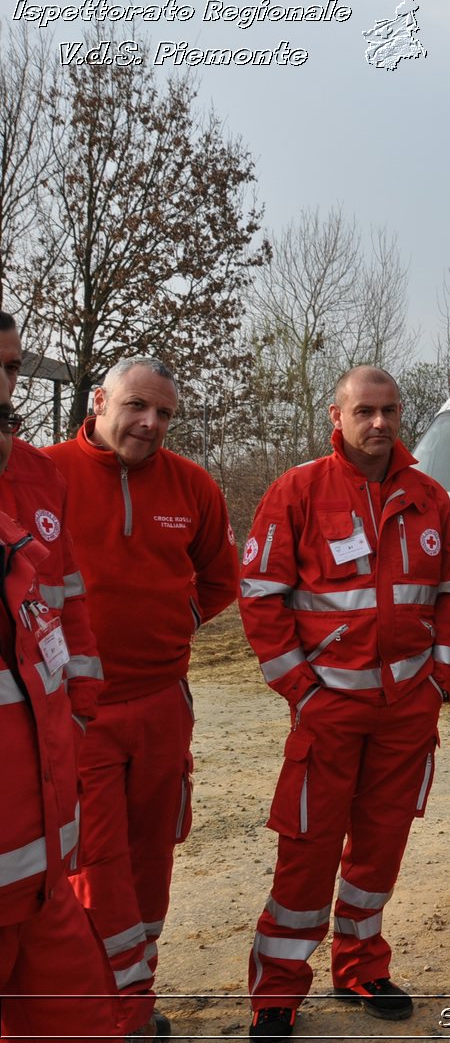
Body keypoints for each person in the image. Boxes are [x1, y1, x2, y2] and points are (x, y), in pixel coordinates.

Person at [238, 367, 450, 1040]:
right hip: (328, 710)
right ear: (335, 417)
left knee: (379, 846)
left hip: (406, 713)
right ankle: (276, 989)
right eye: (364, 410)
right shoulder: (298, 491)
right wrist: (304, 691)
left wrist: (439, 681)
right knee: (306, 849)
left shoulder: (428, 496)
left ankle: (361, 964)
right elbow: (260, 597)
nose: (379, 423)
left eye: (390, 410)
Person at [44, 356, 239, 1040]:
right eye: (136, 406)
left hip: (163, 704)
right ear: (99, 401)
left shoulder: (192, 485)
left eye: (164, 414)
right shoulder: (43, 475)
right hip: (78, 713)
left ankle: (132, 997)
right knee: (95, 867)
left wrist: (169, 619)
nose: (150, 423)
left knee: (151, 860)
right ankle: (105, 1010)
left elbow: (220, 577)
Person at [0, 322, 119, 1041]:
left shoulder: (36, 480)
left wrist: (72, 719)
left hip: (42, 867)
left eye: (12, 367)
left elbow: (66, 608)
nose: (5, 381)